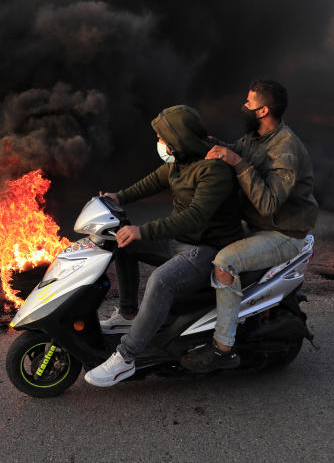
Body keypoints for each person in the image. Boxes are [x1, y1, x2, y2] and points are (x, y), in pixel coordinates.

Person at [84, 105, 244, 387]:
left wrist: (142, 231)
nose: (159, 144)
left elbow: (194, 218)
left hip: (207, 248)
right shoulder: (182, 159)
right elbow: (155, 180)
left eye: (162, 139)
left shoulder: (213, 170)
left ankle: (126, 358)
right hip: (182, 239)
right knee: (120, 241)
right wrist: (118, 197)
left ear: (178, 140)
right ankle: (128, 313)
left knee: (161, 281)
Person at [181, 80, 318, 372]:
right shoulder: (256, 137)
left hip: (283, 233)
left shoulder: (286, 149)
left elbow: (268, 203)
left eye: (248, 103)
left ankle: (223, 347)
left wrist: (235, 161)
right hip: (258, 227)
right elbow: (234, 150)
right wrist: (203, 141)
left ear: (263, 109)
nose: (243, 107)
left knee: (224, 262)